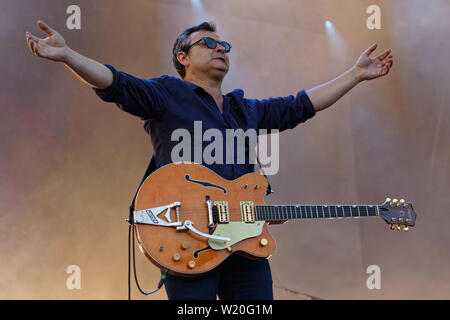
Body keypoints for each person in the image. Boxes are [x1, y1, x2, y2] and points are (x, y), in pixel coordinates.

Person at [25, 20, 393, 300]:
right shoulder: (168, 95)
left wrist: (356, 75)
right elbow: (118, 84)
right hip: (187, 238)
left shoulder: (243, 109)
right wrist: (68, 55)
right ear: (183, 57)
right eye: (209, 44)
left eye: (224, 45)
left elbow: (300, 105)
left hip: (245, 248)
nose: (221, 49)